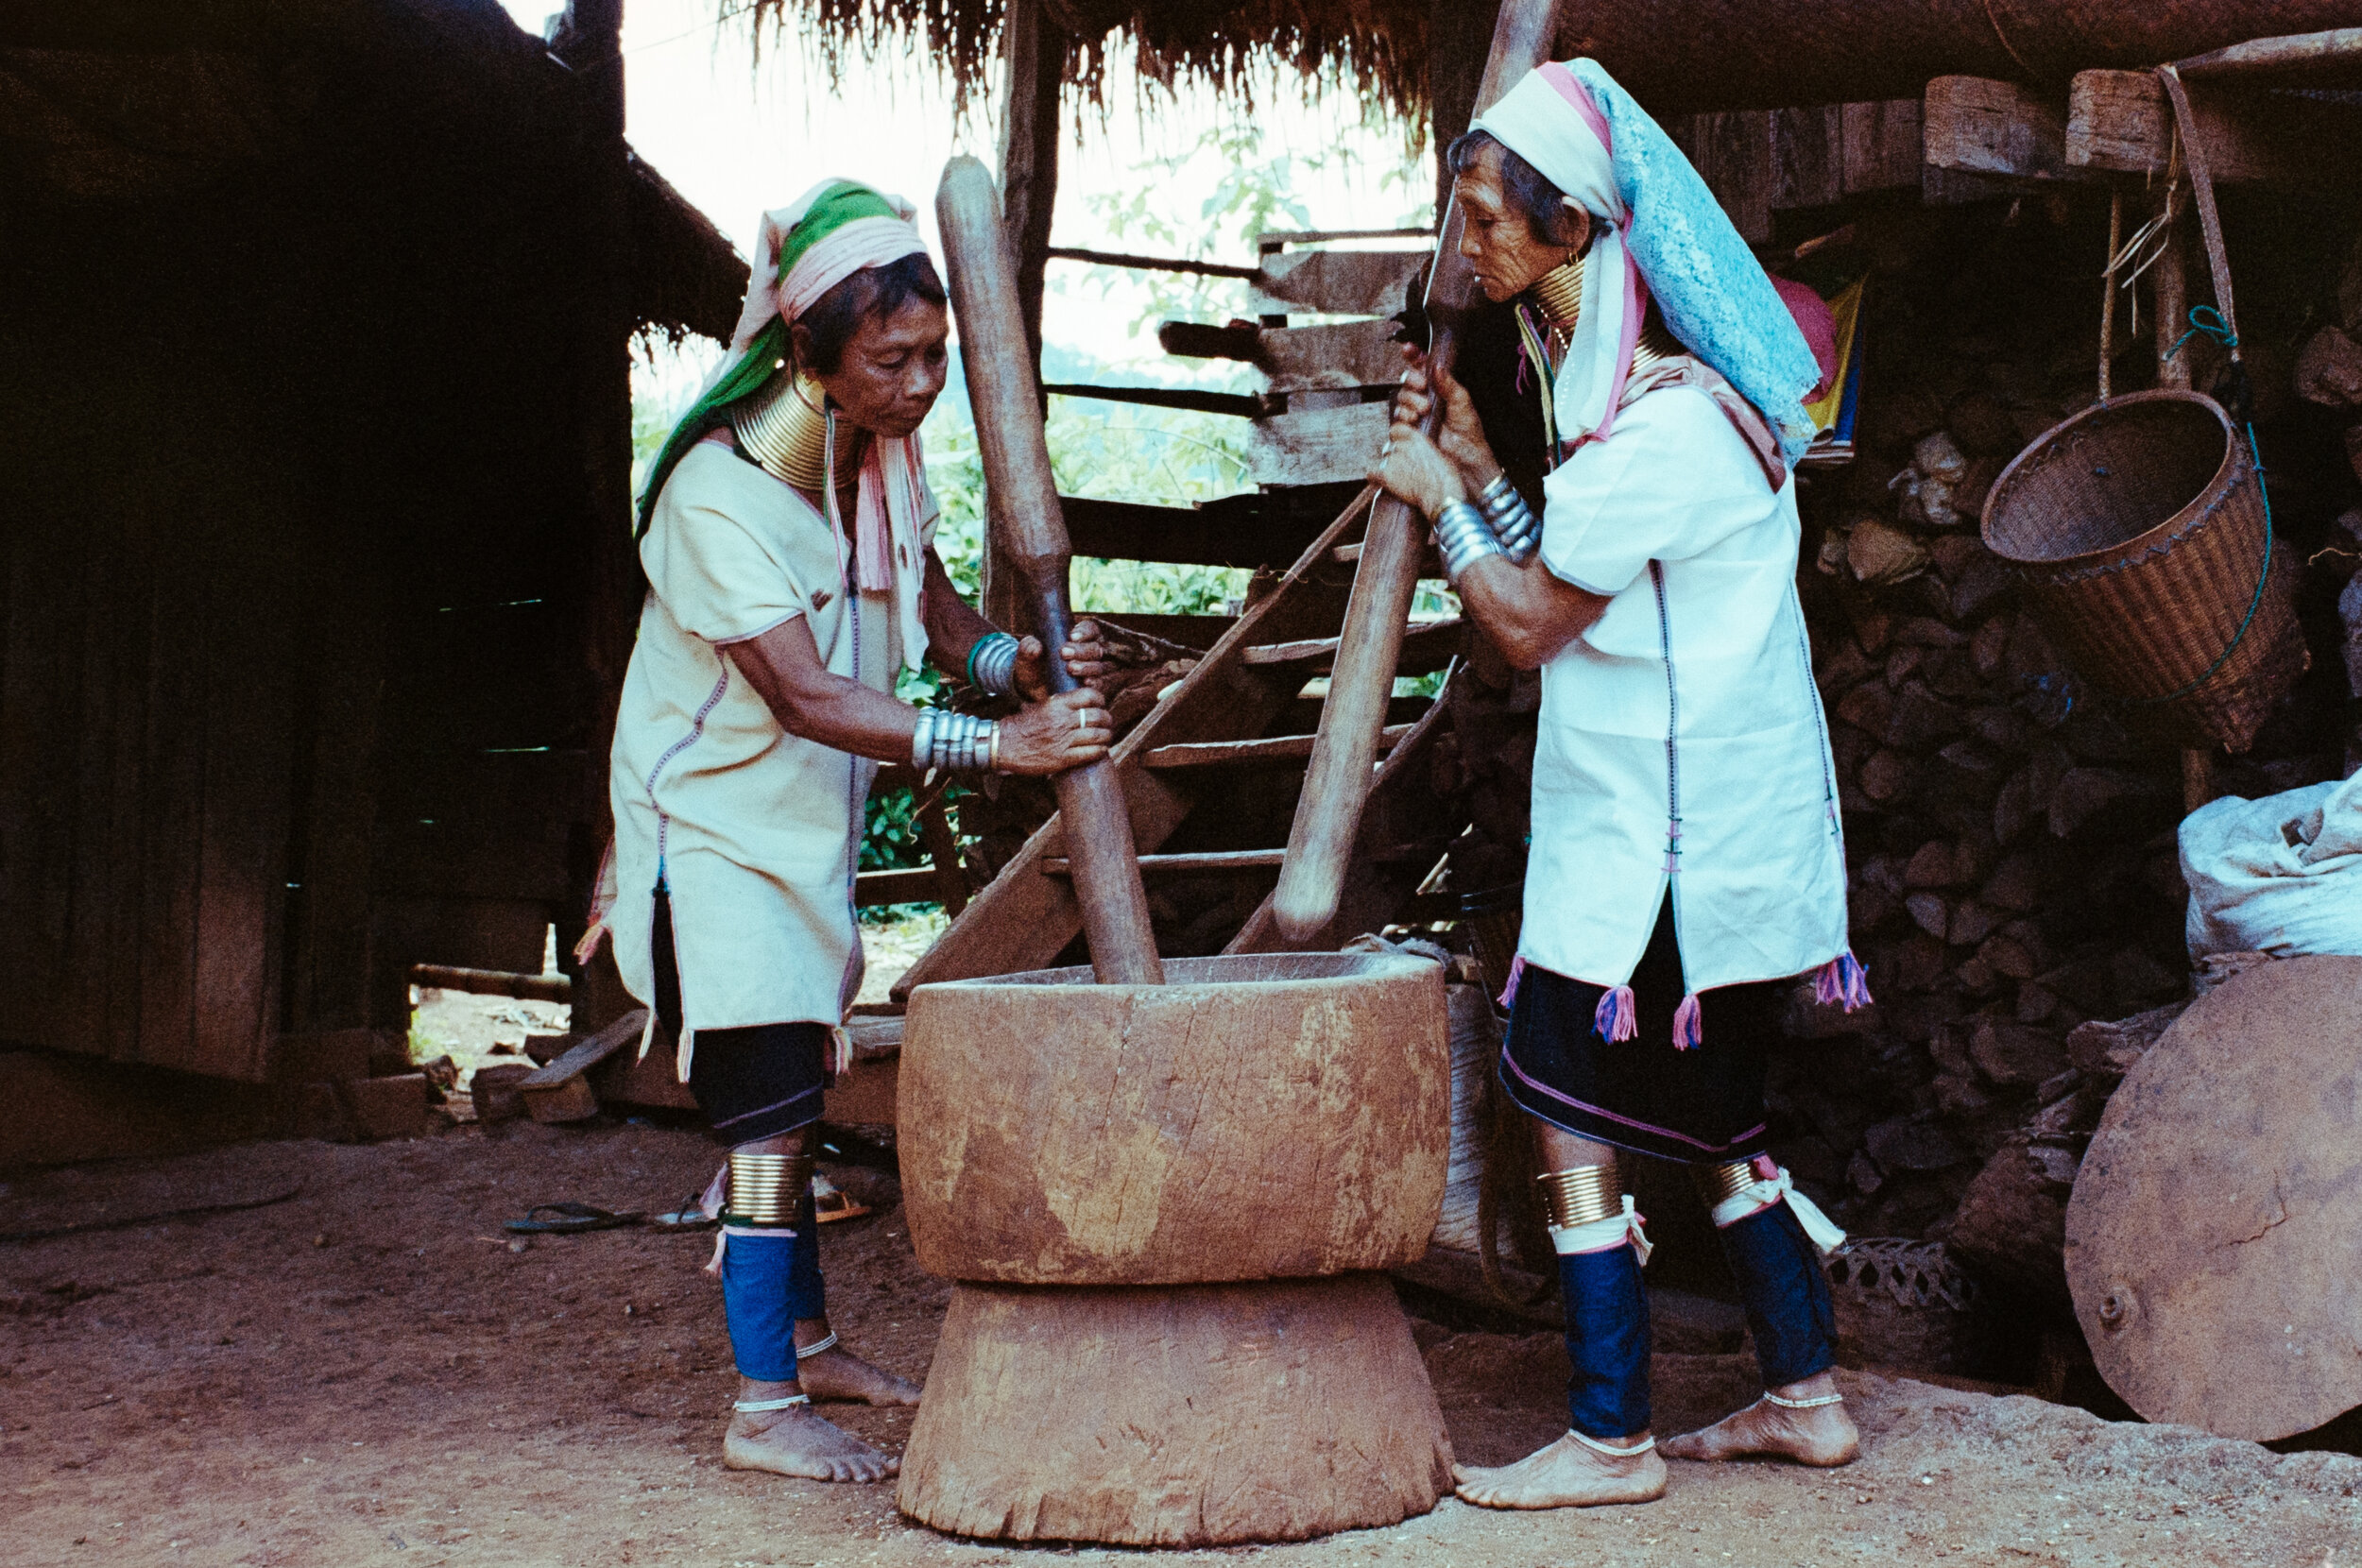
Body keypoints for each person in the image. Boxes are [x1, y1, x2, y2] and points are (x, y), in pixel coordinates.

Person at [1373, 60, 1870, 1510]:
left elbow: (1527, 624)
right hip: (1695, 830)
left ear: (1575, 228)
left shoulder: (1664, 428)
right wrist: (1473, 455)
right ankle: (1807, 1398)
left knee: (1560, 1099)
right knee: (1722, 1125)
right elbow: (1583, 581)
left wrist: (1439, 497)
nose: (1465, 249)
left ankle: (1611, 1434)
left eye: (1483, 218)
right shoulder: (1644, 416)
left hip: (1669, 849)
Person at [590, 179, 1112, 1483]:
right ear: (806, 355)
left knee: (795, 1096)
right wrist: (1000, 746)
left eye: (937, 354)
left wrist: (1014, 666)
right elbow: (806, 694)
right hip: (710, 846)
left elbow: (932, 612)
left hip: (795, 839)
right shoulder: (714, 498)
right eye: (894, 360)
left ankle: (807, 1341)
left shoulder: (873, 456)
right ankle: (764, 1405)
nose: (925, 382)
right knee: (763, 1130)